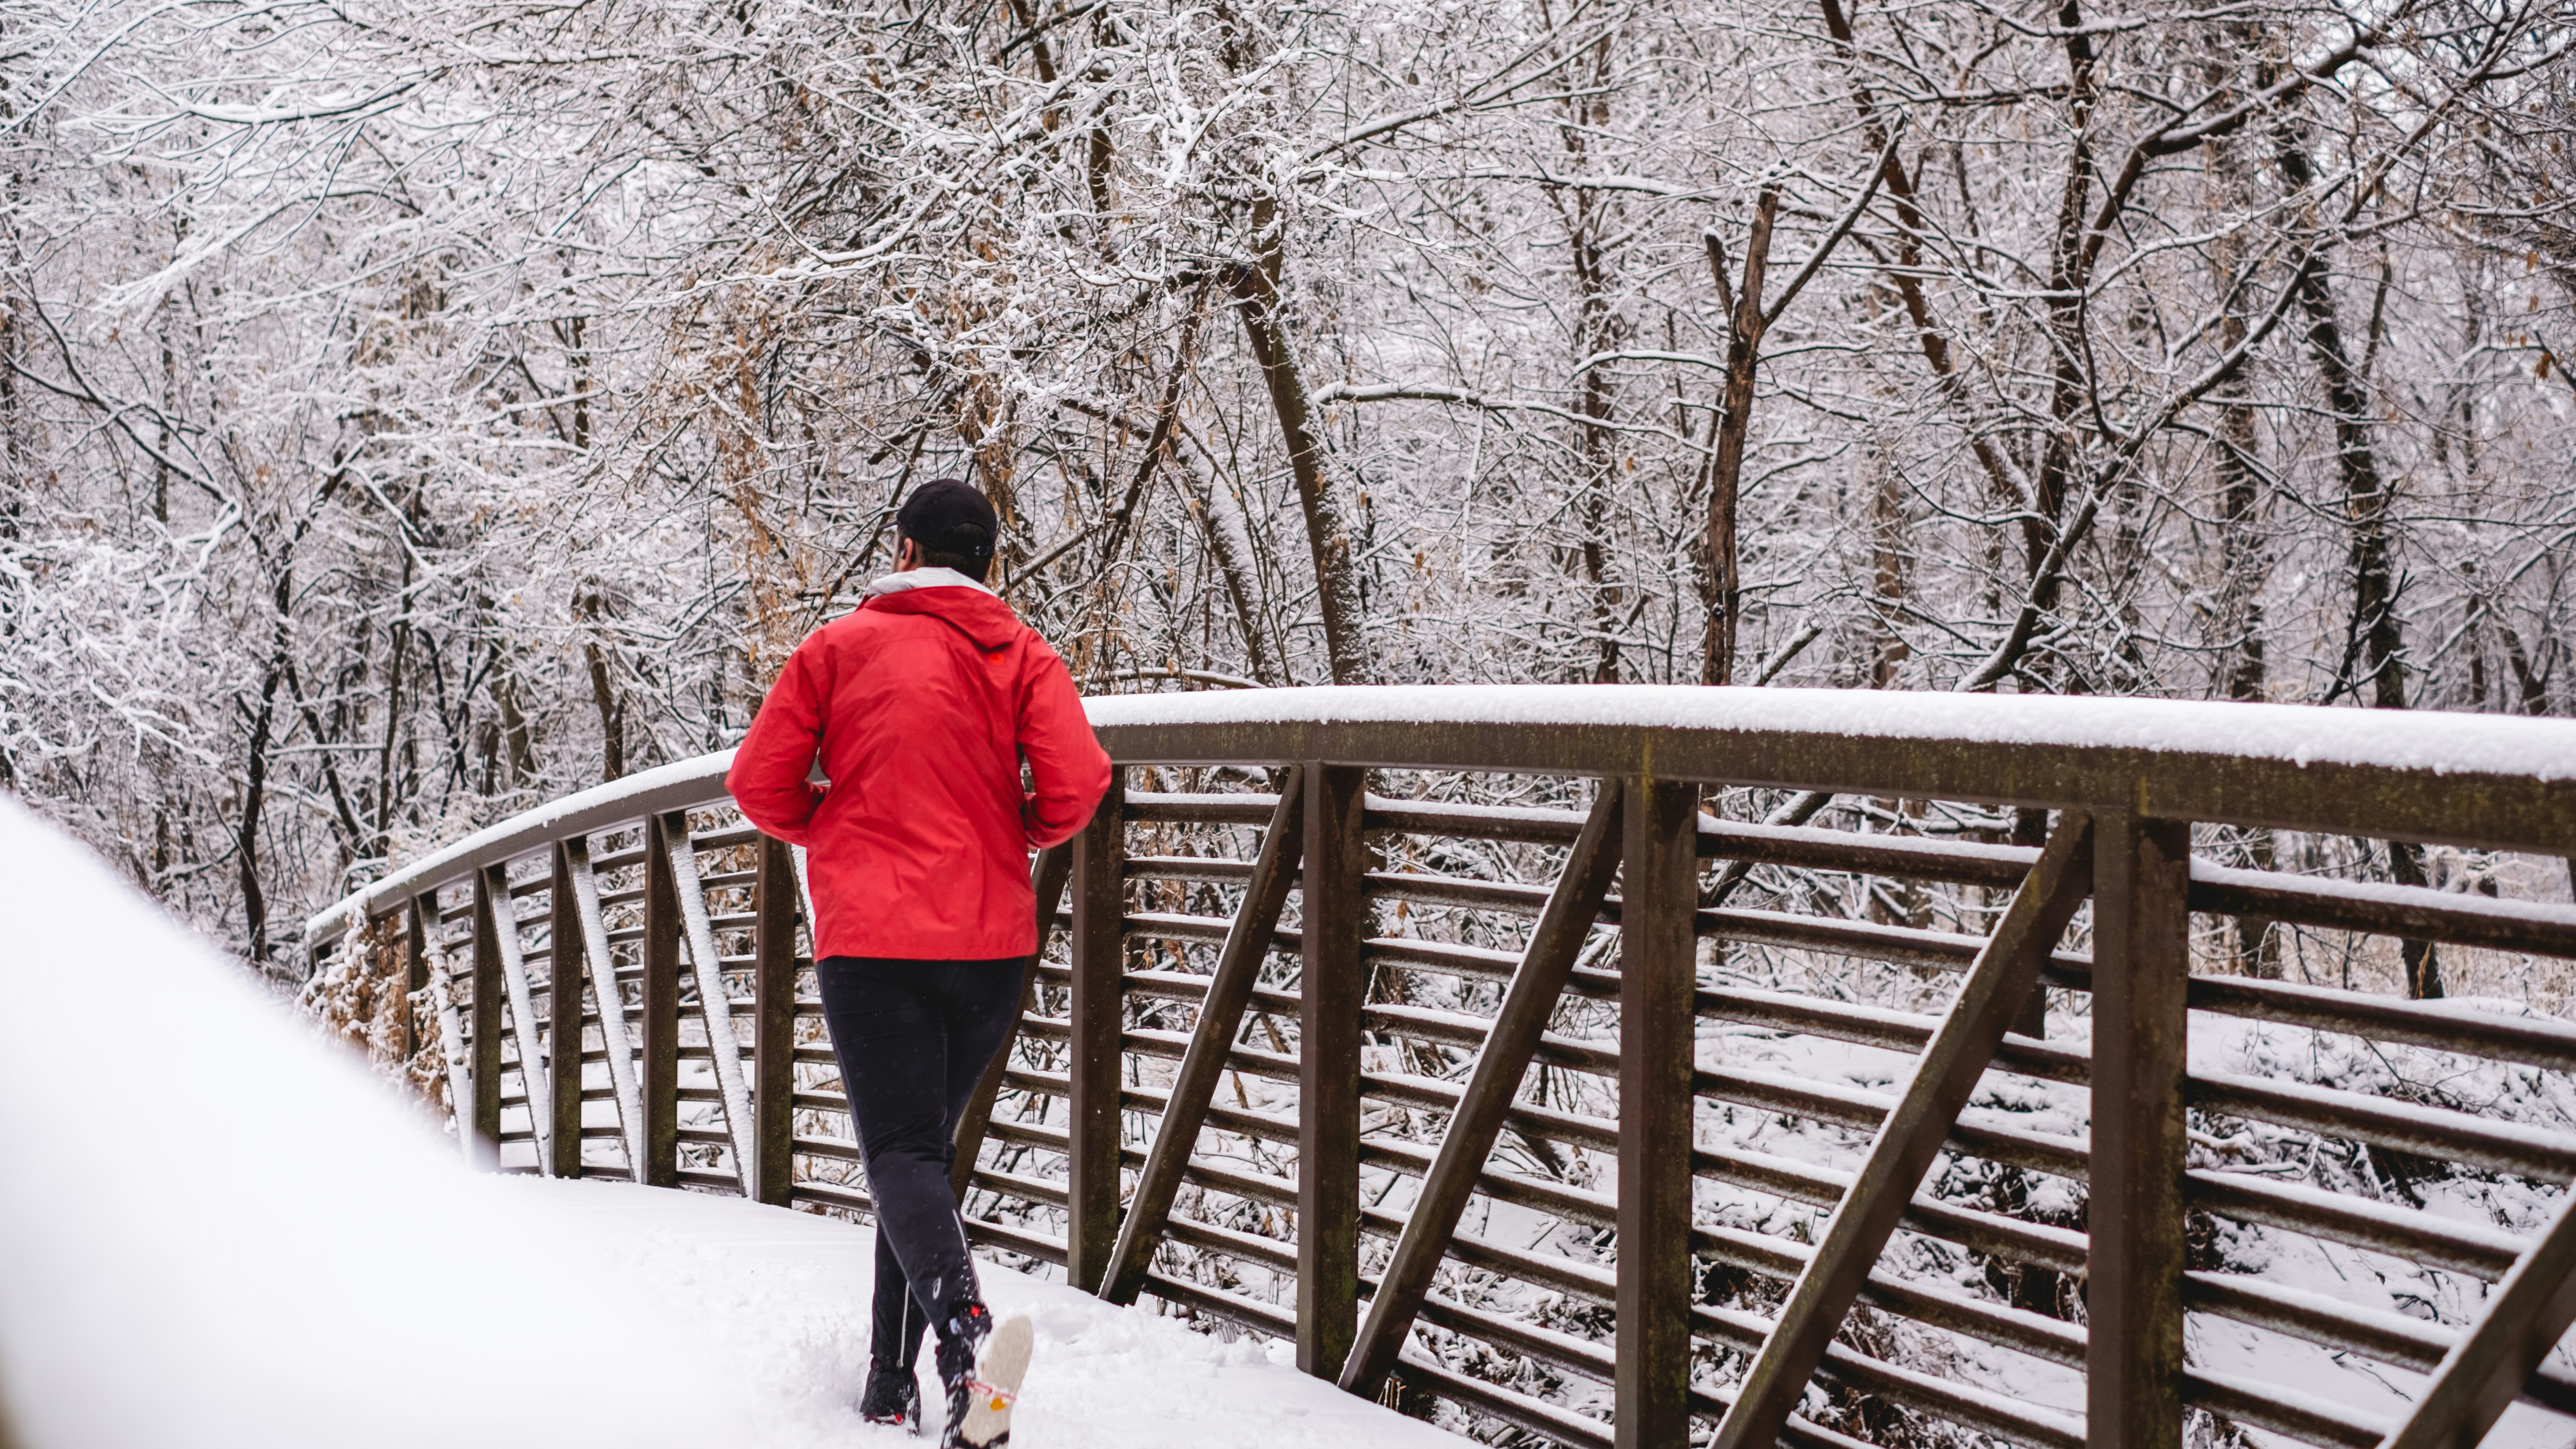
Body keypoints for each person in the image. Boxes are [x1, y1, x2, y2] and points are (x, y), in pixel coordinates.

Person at [727, 478, 1110, 1446]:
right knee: (918, 1164)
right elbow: (1077, 785)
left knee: (899, 1157)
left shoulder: (836, 648)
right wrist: (1011, 831)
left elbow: (757, 783)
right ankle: (888, 1384)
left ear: (902, 553)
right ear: (987, 562)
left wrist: (836, 829)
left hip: (873, 945)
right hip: (987, 949)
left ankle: (961, 1343)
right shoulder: (1020, 653)